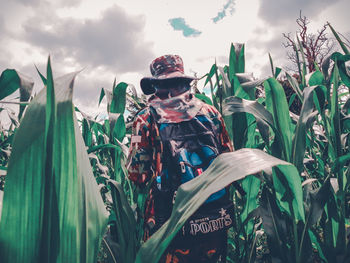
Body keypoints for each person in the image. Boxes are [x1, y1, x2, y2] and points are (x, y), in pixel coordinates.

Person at [128, 55, 233, 262]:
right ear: (185, 82)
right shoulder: (212, 113)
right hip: (214, 218)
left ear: (157, 85)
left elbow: (136, 175)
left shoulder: (145, 118)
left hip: (168, 223)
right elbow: (229, 163)